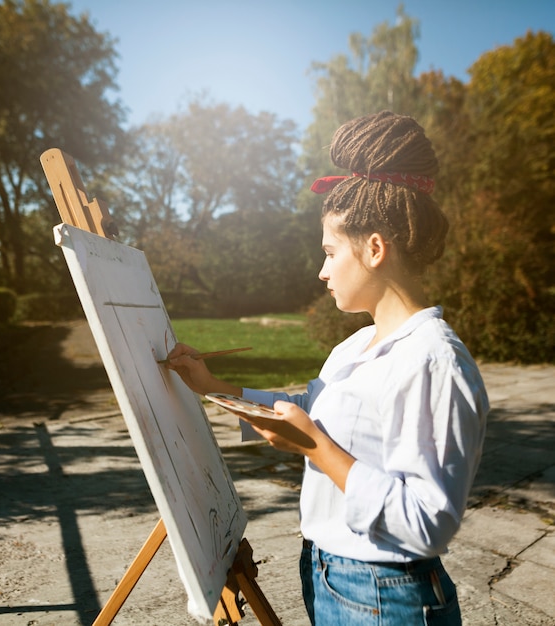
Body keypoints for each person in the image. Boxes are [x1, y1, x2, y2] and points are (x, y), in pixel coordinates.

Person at [165, 110, 489, 625]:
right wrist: (213, 386)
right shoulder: (356, 346)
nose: (321, 271)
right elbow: (311, 410)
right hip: (328, 575)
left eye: (330, 252)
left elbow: (428, 523)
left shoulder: (433, 361)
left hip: (387, 594)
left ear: (375, 249)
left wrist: (315, 447)